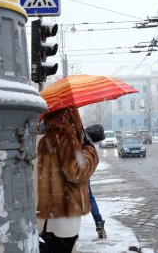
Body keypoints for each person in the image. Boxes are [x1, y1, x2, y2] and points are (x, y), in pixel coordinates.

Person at [37, 106, 99, 253]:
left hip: (53, 211)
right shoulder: (65, 137)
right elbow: (77, 172)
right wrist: (90, 150)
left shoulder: (46, 139)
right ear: (70, 115)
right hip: (66, 209)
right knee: (63, 247)